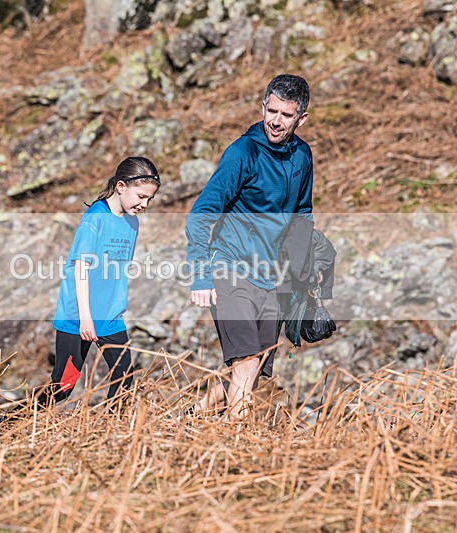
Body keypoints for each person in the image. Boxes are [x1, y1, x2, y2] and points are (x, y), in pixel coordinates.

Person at [185, 74, 313, 419]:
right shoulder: (242, 153)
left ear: (301, 118)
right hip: (230, 267)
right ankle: (235, 437)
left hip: (273, 277)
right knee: (246, 360)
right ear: (263, 106)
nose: (276, 121)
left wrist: (301, 275)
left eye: (286, 115)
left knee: (253, 369)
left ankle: (191, 417)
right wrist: (200, 275)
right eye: (271, 111)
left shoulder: (302, 156)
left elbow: (302, 215)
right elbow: (200, 215)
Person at [41, 156, 160, 409]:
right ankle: (7, 422)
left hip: (110, 315)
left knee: (124, 379)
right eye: (141, 196)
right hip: (78, 316)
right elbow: (80, 269)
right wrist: (85, 318)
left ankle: (112, 427)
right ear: (121, 186)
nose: (144, 204)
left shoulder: (132, 222)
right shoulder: (95, 217)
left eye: (149, 199)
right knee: (62, 386)